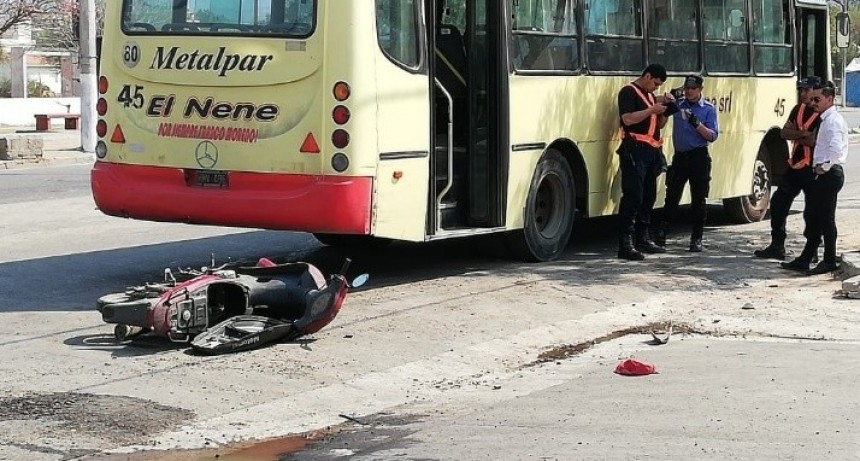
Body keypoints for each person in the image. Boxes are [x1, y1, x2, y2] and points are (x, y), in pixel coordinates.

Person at [781, 80, 848, 275]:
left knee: (826, 218)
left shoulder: (833, 121)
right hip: (824, 173)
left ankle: (828, 260)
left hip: (829, 173)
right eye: (812, 99)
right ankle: (806, 258)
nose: (813, 103)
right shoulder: (826, 119)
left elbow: (835, 150)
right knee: (815, 216)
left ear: (829, 99)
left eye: (817, 99)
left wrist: (822, 167)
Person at [616, 63, 675, 260]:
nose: (656, 88)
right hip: (634, 150)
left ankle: (643, 237)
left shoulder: (650, 96)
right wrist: (651, 110)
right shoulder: (628, 91)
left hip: (651, 151)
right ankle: (626, 243)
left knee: (649, 196)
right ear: (647, 76)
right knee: (634, 196)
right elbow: (628, 119)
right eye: (656, 83)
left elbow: (658, 124)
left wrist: (666, 111)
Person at [653, 75, 718, 252]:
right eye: (687, 88)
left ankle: (696, 238)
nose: (689, 91)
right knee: (672, 197)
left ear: (700, 90)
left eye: (693, 88)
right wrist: (667, 107)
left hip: (699, 157)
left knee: (699, 199)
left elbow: (712, 136)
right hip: (680, 157)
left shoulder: (708, 109)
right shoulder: (679, 104)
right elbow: (661, 124)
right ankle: (661, 235)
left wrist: (696, 124)